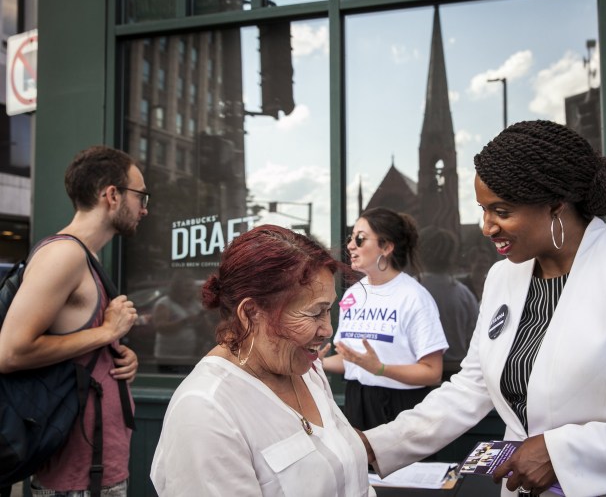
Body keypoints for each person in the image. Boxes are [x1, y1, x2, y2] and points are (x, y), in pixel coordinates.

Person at [360, 120, 606, 497]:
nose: (487, 227)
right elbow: (471, 387)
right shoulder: (503, 277)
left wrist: (561, 453)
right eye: (483, 210)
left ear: (556, 205)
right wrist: (376, 445)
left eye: (501, 211)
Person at [150, 225, 374, 497]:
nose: (328, 330)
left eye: (329, 311)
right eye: (315, 313)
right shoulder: (204, 410)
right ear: (251, 312)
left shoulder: (304, 369)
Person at [0, 145, 144, 496]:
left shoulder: (85, 255)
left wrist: (116, 353)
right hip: (77, 480)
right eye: (141, 195)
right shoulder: (64, 254)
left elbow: (76, 344)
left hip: (96, 470)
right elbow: (11, 352)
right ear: (112, 195)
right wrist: (107, 332)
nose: (145, 207)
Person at [320, 207, 449, 430]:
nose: (350, 245)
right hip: (356, 400)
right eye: (351, 238)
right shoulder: (353, 294)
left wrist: (380, 369)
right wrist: (318, 364)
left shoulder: (414, 297)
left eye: (360, 239)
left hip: (401, 407)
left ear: (386, 247)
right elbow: (354, 360)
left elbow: (432, 372)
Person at [417, 225, 479, 382]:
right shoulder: (464, 294)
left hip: (417, 375)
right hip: (457, 375)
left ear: (420, 254)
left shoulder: (409, 290)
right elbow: (475, 338)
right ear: (452, 256)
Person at [152, 273, 203, 374]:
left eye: (192, 286)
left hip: (190, 358)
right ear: (177, 287)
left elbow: (205, 329)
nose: (190, 289)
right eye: (187, 286)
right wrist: (185, 321)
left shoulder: (195, 304)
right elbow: (160, 328)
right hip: (169, 359)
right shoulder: (165, 303)